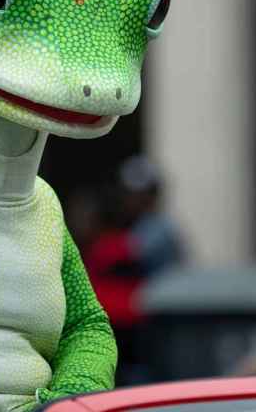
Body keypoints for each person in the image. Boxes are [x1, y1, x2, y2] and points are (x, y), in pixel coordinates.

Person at [85, 155, 187, 384]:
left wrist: (101, 244)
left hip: (158, 325)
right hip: (139, 325)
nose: (132, 200)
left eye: (141, 194)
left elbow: (125, 254)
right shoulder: (137, 225)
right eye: (130, 194)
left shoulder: (160, 227)